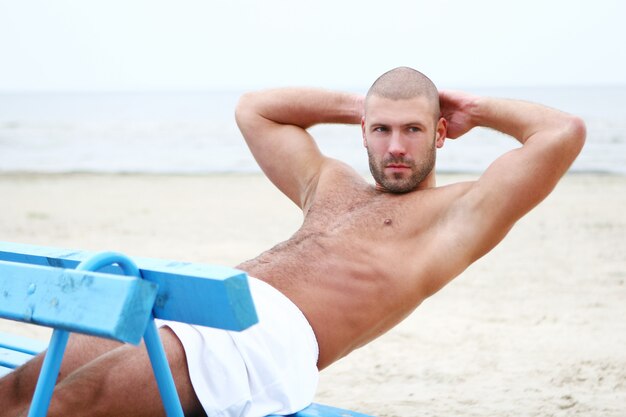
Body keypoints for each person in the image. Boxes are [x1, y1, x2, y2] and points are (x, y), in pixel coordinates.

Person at [0, 67, 585, 417]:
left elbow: (561, 132)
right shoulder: (330, 183)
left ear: (439, 133)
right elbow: (255, 110)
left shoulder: (455, 215)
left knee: (74, 403)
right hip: (206, 305)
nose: (396, 146)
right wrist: (365, 102)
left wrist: (471, 108)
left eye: (413, 129)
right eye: (381, 130)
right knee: (20, 388)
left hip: (263, 343)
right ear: (363, 133)